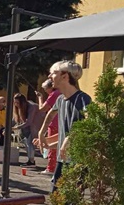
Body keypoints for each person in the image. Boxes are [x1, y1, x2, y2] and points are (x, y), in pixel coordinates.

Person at [37, 61, 91, 192]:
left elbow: (90, 122)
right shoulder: (60, 99)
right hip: (62, 160)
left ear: (65, 76)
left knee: (71, 200)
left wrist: (70, 138)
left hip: (77, 161)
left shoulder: (83, 99)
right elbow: (50, 114)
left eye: (54, 73)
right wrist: (41, 133)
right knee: (57, 196)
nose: (49, 76)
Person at [35, 78, 61, 174]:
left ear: (50, 87)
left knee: (51, 147)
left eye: (45, 89)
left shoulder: (54, 94)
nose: (45, 91)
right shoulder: (60, 93)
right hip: (60, 123)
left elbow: (42, 108)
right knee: (58, 144)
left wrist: (40, 98)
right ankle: (55, 167)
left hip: (54, 123)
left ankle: (51, 168)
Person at [12, 93, 42, 166]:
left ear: (22, 102)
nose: (16, 104)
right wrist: (7, 128)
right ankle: (30, 160)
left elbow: (29, 121)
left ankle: (31, 161)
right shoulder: (19, 107)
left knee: (30, 142)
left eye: (17, 103)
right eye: (15, 102)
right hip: (27, 126)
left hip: (36, 124)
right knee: (27, 142)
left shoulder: (32, 107)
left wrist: (17, 127)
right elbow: (14, 119)